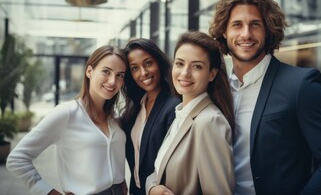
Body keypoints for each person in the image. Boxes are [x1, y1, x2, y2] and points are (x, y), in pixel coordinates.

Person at [209, 0, 321, 195]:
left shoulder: (301, 85)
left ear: (268, 30)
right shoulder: (216, 88)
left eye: (255, 24)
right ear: (224, 31)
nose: (246, 34)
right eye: (237, 25)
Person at [6, 45, 128, 195]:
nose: (112, 81)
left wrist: (122, 183)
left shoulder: (114, 117)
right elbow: (17, 159)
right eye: (106, 71)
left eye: (120, 75)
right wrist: (47, 191)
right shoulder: (67, 113)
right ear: (89, 71)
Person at [146, 31, 235, 195]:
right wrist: (152, 188)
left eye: (197, 66)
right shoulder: (181, 114)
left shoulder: (209, 122)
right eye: (180, 64)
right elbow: (159, 169)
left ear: (212, 74)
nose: (185, 73)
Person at [121, 38, 180, 195]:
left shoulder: (174, 106)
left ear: (159, 63)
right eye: (134, 68)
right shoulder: (134, 109)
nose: (143, 72)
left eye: (148, 63)